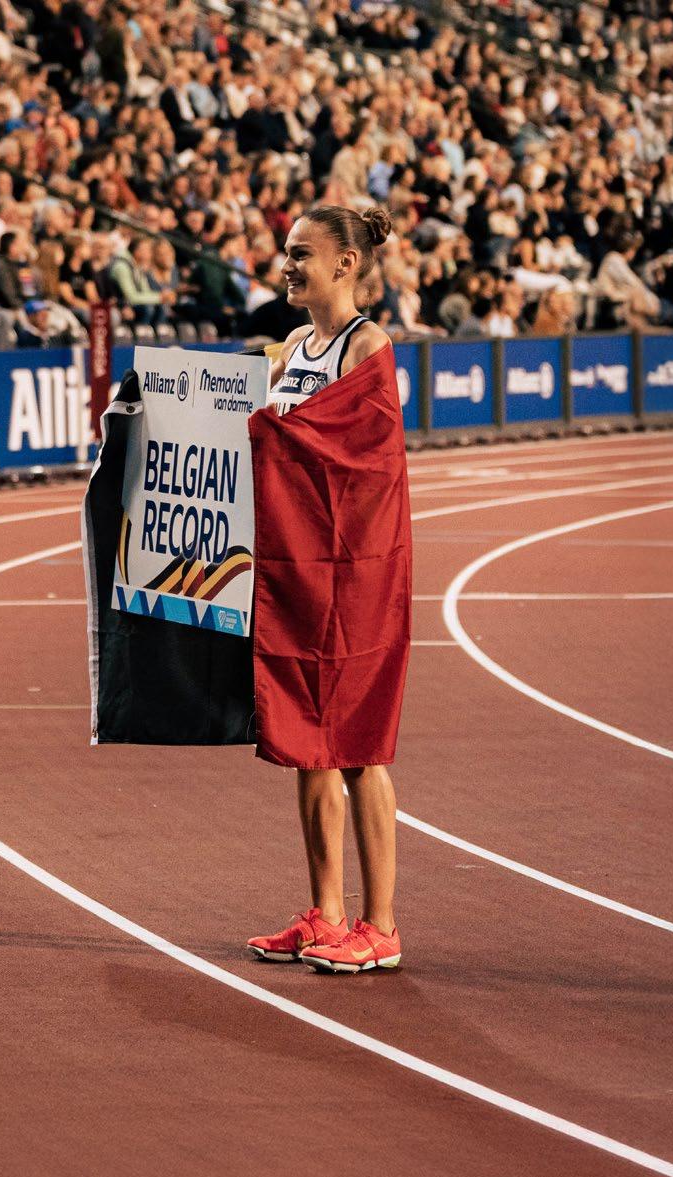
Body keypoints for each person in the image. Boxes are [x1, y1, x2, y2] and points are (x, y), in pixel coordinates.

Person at [246, 204, 410, 975]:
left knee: (356, 751)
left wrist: (272, 433)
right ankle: (326, 914)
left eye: (301, 253)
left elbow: (365, 457)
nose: (287, 265)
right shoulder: (290, 348)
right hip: (298, 568)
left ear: (344, 264)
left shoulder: (367, 346)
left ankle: (380, 925)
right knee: (308, 746)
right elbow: (261, 428)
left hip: (355, 574)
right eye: (286, 251)